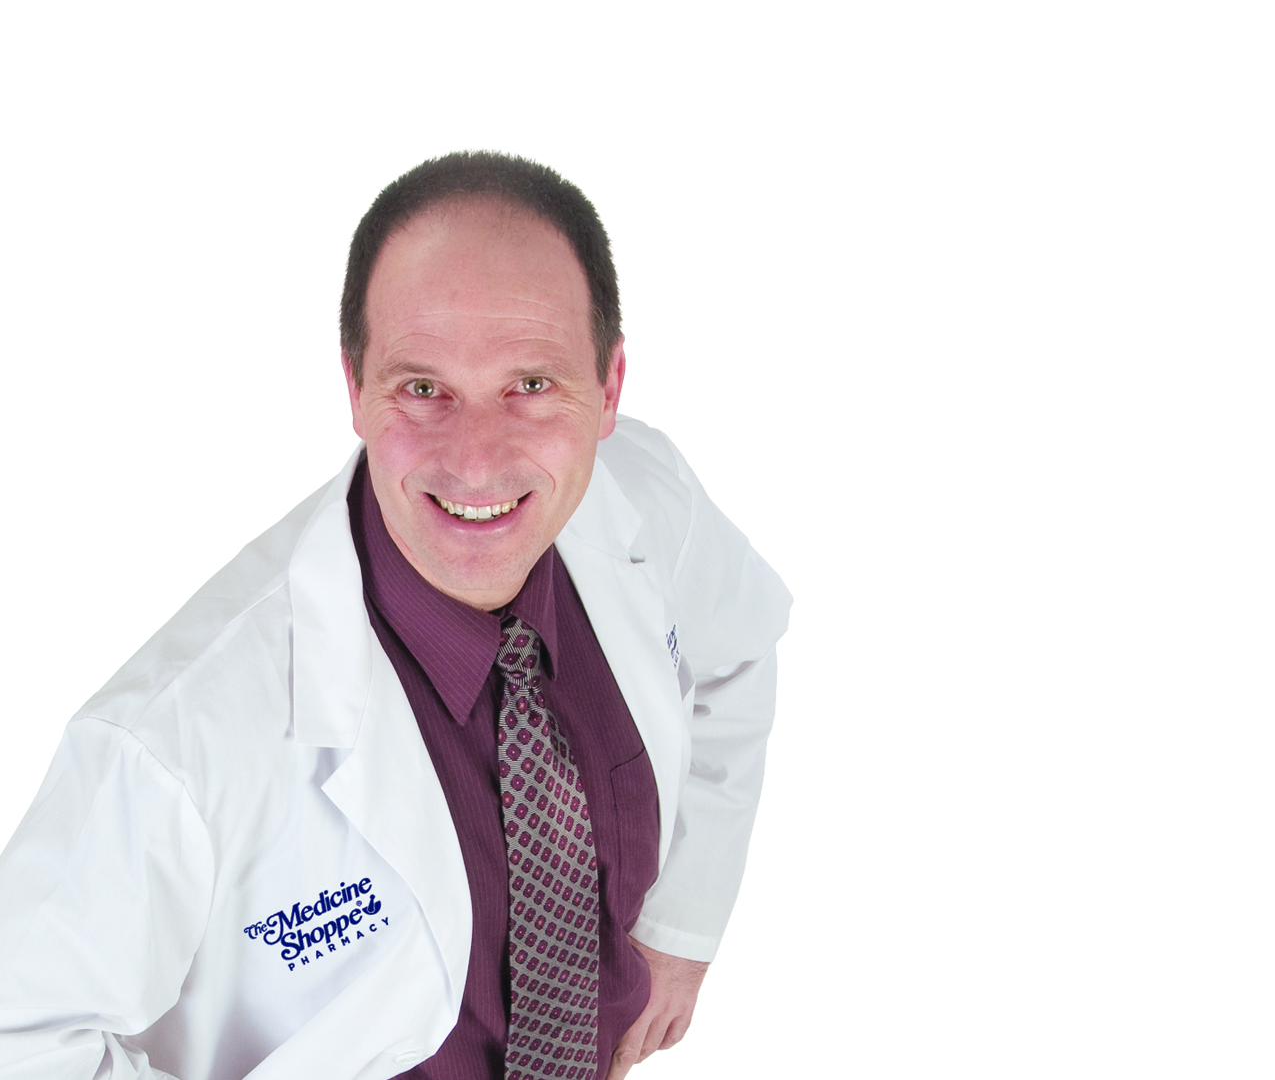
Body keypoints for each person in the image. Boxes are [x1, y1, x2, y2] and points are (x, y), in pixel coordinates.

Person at [0, 152, 791, 1080]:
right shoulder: (170, 743)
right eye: (423, 389)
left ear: (610, 387)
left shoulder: (642, 497)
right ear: (355, 388)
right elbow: (23, 1036)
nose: (476, 460)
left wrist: (682, 926)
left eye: (531, 385)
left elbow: (739, 654)